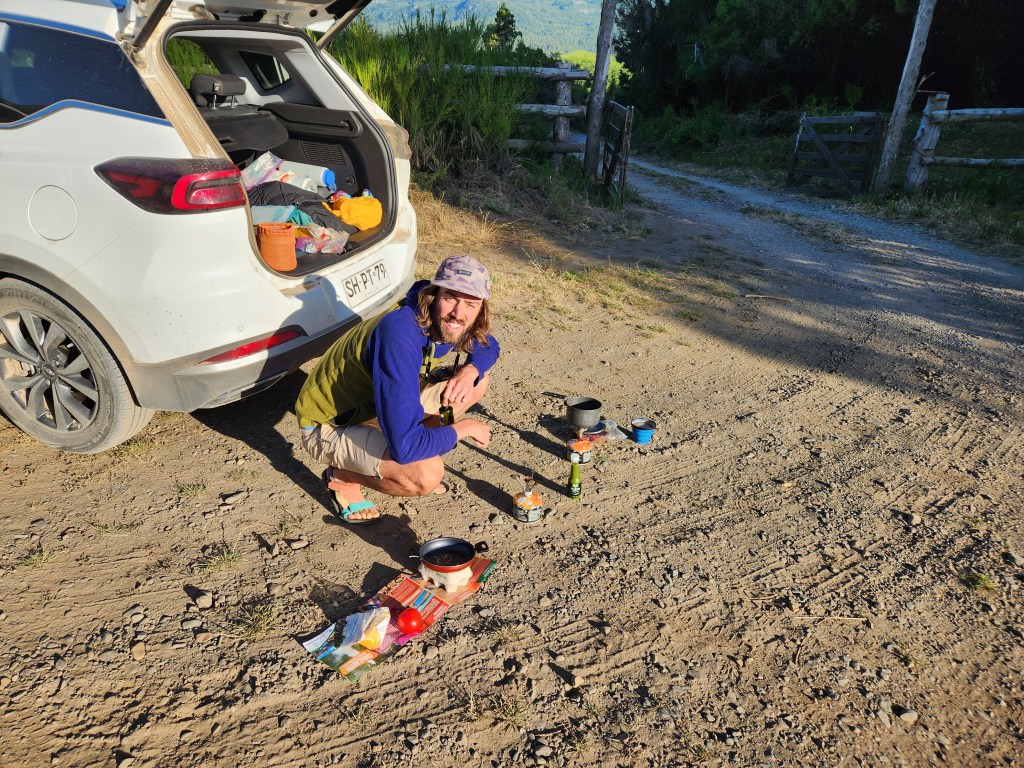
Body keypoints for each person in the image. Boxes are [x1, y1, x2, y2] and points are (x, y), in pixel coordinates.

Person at [295, 255, 499, 524]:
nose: (458, 314)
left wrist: (470, 370)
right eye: (450, 298)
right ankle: (343, 476)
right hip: (329, 424)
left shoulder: (448, 322)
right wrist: (464, 428)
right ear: (434, 295)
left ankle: (409, 447)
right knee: (424, 475)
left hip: (375, 402)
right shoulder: (400, 332)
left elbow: (488, 345)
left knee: (477, 380)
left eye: (470, 304)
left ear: (480, 309)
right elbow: (405, 448)